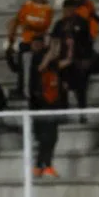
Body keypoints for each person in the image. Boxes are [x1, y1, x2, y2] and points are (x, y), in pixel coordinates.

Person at [50, 0, 94, 121]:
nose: (69, 11)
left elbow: (88, 43)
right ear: (63, 10)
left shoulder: (83, 23)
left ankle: (83, 116)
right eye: (66, 9)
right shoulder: (59, 24)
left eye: (71, 9)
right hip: (63, 62)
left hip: (78, 61)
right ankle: (64, 116)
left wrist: (87, 59)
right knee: (62, 89)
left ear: (75, 9)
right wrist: (55, 60)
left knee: (80, 90)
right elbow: (53, 42)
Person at [8, 0, 53, 99]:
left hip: (38, 42)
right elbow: (18, 21)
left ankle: (38, 89)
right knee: (22, 67)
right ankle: (22, 90)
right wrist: (11, 37)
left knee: (37, 68)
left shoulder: (48, 9)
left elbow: (44, 26)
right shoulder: (27, 6)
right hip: (26, 41)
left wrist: (31, 26)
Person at [29, 35, 64, 177]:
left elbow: (58, 60)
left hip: (52, 103)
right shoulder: (36, 58)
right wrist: (51, 49)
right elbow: (41, 67)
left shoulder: (52, 62)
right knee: (46, 137)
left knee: (52, 137)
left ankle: (41, 166)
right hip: (40, 104)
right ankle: (45, 166)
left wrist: (59, 47)